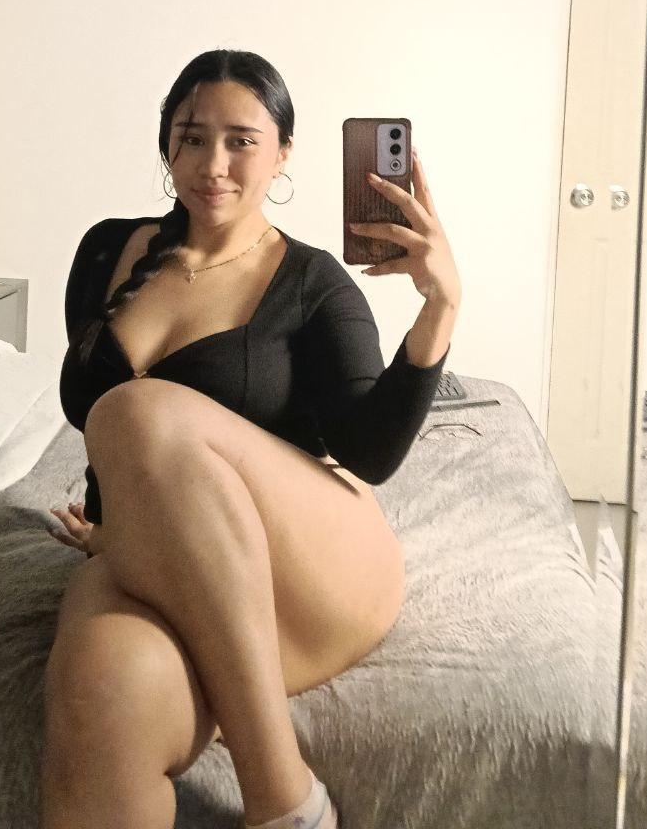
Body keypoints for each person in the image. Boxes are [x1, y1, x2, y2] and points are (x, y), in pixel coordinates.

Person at [42, 48, 462, 829]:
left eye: (241, 141)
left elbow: (370, 451)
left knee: (134, 412)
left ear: (283, 154)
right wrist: (123, 530)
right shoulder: (107, 253)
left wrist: (439, 307)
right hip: (147, 555)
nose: (213, 165)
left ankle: (283, 796)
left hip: (308, 568)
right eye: (192, 137)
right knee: (100, 701)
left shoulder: (313, 284)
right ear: (166, 143)